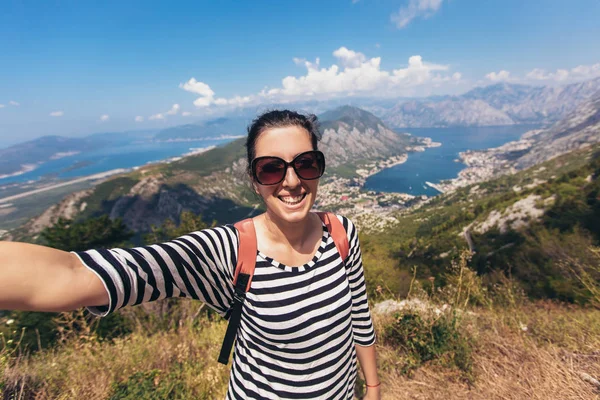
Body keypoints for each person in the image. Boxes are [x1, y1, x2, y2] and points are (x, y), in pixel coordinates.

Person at [0, 110, 381, 400]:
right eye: (271, 169)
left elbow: (359, 316)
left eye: (306, 163)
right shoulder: (228, 251)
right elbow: (74, 275)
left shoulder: (341, 231)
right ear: (253, 179)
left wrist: (374, 385)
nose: (293, 181)